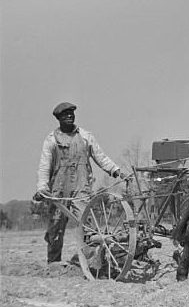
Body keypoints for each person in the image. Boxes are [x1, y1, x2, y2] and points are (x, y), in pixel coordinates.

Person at [34, 102, 127, 264]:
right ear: (59, 119)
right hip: (58, 193)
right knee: (55, 228)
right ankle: (54, 264)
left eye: (71, 113)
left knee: (88, 227)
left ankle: (91, 263)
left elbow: (101, 157)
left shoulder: (85, 136)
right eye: (65, 115)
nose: (70, 116)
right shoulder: (50, 141)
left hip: (81, 190)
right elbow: (44, 167)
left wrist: (116, 171)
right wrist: (42, 188)